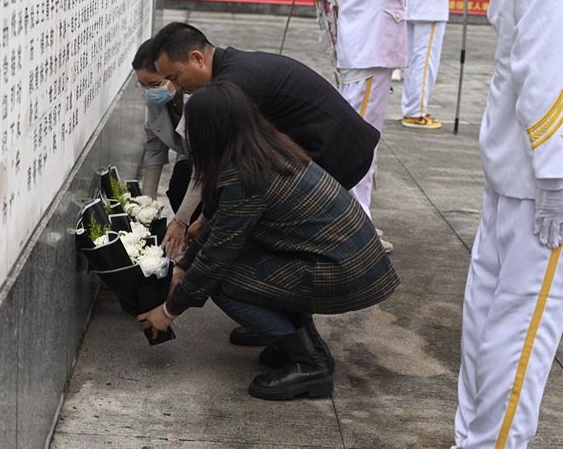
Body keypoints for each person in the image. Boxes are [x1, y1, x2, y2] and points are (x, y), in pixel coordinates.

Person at [136, 81, 400, 400]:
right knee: (228, 264)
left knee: (220, 279)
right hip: (351, 262)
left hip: (344, 271)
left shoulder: (244, 174)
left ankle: (308, 364)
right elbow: (225, 224)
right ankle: (307, 346)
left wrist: (167, 312)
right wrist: (183, 264)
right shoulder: (261, 149)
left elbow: (216, 259)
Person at [148, 21, 382, 348]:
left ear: (198, 58)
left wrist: (173, 303)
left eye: (174, 77)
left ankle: (297, 346)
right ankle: (276, 319)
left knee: (235, 261)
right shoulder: (229, 73)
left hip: (337, 152)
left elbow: (222, 189)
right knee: (236, 231)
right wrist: (200, 226)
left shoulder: (238, 87)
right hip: (311, 154)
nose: (174, 87)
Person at [454, 0, 563, 447]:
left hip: (513, 149)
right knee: (522, 330)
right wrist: (556, 167)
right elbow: (546, 49)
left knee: (491, 314)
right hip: (542, 162)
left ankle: (472, 438)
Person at [335, 0, 433, 232]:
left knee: (361, 140)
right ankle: (353, 226)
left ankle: (355, 221)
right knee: (360, 142)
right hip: (370, 47)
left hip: (370, 46)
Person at [132, 40, 202, 259]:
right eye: (142, 85)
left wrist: (180, 220)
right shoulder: (156, 99)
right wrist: (147, 205)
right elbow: (154, 146)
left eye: (153, 84)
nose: (149, 92)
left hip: (216, 161)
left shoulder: (201, 98)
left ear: (170, 74)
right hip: (191, 157)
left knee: (198, 197)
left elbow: (204, 166)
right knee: (178, 187)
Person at [401, 0, 474, 129]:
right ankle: (416, 113)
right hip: (429, 8)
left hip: (418, 6)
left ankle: (412, 109)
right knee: (424, 65)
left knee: (414, 64)